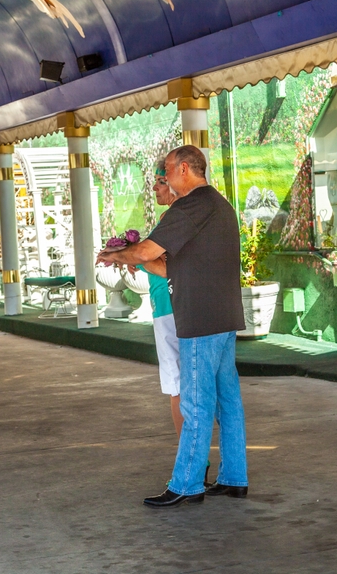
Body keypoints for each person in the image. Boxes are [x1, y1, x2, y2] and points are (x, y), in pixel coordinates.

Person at [97, 145, 248, 508]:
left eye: (167, 170)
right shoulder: (220, 206)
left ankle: (186, 483)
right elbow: (172, 267)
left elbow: (149, 250)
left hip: (200, 319)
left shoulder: (192, 205)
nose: (163, 178)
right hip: (223, 316)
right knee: (227, 401)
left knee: (195, 404)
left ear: (184, 169)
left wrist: (116, 255)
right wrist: (137, 261)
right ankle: (233, 477)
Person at [138, 160, 182, 435]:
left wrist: (136, 256)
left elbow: (169, 268)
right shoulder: (173, 217)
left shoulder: (174, 218)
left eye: (161, 181)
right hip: (169, 307)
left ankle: (190, 461)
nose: (155, 187)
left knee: (177, 386)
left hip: (170, 309)